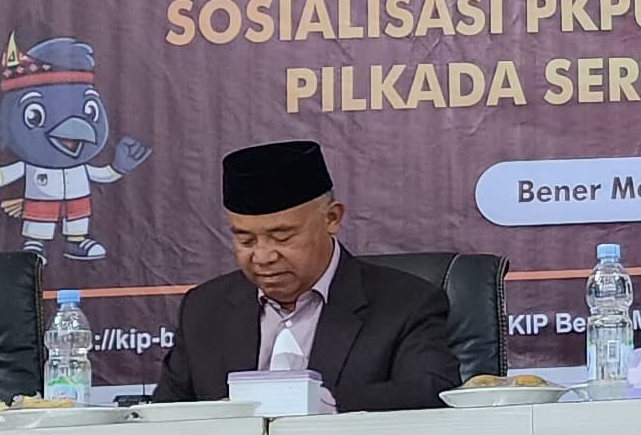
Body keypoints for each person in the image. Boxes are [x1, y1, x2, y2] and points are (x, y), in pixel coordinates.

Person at [153, 140, 459, 410]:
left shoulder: (406, 303)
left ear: (332, 218)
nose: (263, 257)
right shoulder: (204, 308)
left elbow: (430, 391)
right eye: (246, 240)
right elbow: (167, 414)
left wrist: (315, 404)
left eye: (282, 237)